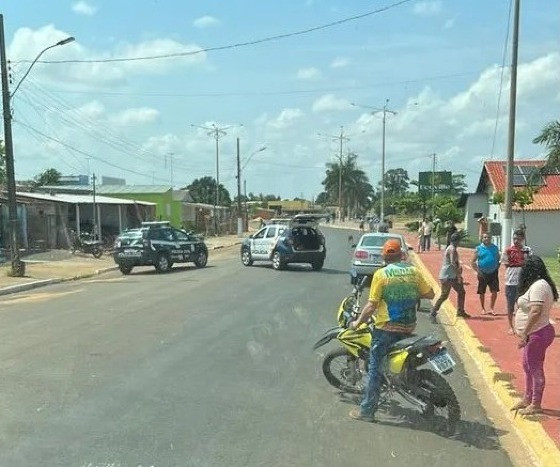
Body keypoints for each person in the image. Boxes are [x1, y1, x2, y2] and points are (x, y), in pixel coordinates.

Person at [348, 239, 435, 422]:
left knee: (375, 370)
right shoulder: (414, 272)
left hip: (386, 329)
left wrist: (357, 323)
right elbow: (430, 294)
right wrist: (410, 293)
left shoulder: (381, 274)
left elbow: (371, 306)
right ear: (402, 255)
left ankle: (367, 412)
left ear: (384, 257)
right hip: (409, 326)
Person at [511, 256, 558, 416]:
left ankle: (536, 403)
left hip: (537, 333)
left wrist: (524, 333)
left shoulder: (539, 286)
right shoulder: (540, 284)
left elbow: (536, 310)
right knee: (527, 366)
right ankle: (527, 398)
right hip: (536, 332)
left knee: (535, 368)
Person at [431, 232, 470, 323]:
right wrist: (458, 274)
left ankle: (460, 311)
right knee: (444, 295)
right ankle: (433, 312)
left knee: (461, 291)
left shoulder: (452, 248)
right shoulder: (452, 249)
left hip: (452, 275)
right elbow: (452, 262)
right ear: (457, 241)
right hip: (447, 276)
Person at [501, 230, 532, 334]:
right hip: (511, 283)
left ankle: (522, 325)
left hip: (524, 283)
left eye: (518, 239)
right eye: (514, 239)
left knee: (523, 306)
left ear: (522, 239)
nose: (515, 241)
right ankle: (511, 326)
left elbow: (531, 264)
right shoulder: (508, 251)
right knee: (510, 306)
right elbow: (505, 264)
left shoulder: (528, 250)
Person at [471, 233, 501, 315]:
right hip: (482, 273)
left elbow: (498, 259)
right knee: (482, 292)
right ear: (482, 238)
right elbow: (473, 262)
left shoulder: (495, 248)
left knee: (494, 291)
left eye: (488, 237)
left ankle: (491, 308)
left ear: (491, 238)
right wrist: (478, 271)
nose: (487, 238)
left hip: (493, 273)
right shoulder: (478, 248)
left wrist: (496, 268)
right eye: (485, 237)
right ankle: (483, 308)